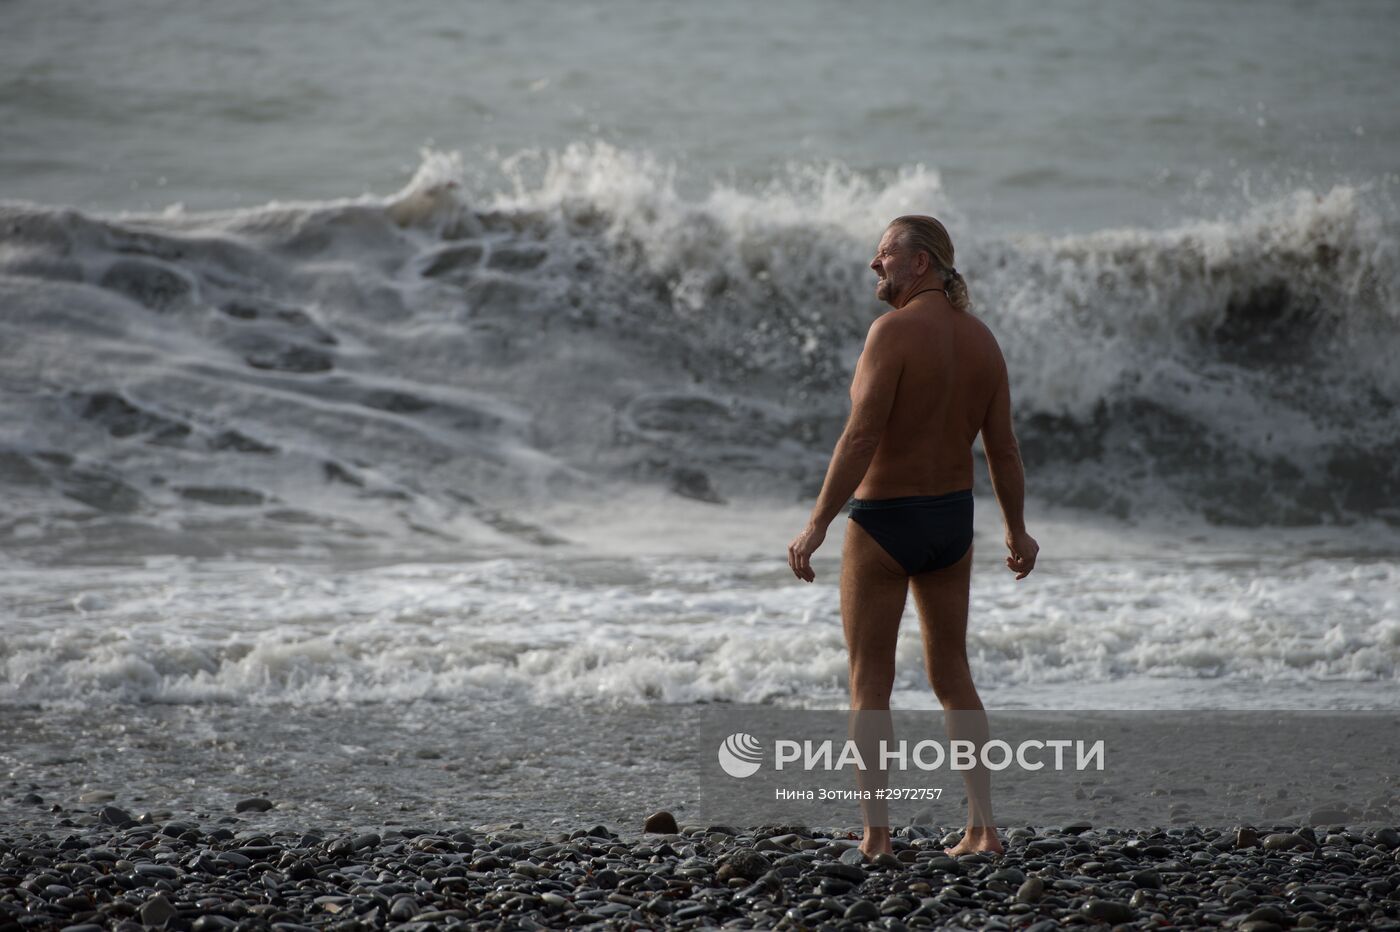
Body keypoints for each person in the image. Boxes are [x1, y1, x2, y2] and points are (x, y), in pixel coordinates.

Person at [786, 215, 1038, 859]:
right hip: (952, 524)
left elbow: (862, 436)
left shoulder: (890, 333)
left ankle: (877, 837)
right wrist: (1018, 530)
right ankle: (984, 830)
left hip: (885, 523)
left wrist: (816, 523)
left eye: (885, 254)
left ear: (920, 262)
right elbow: (1003, 450)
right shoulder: (983, 341)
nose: (876, 265)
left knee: (870, 680)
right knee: (953, 675)